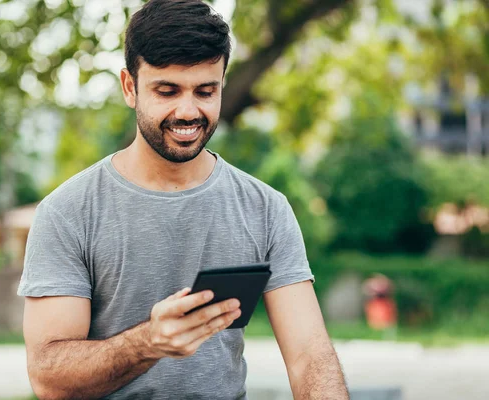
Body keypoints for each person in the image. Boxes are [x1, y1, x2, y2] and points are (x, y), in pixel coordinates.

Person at [17, 0, 349, 399]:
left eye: (205, 91)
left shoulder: (265, 208)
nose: (188, 111)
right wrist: (148, 342)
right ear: (129, 87)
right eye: (167, 91)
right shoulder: (67, 212)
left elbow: (309, 357)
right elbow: (48, 379)